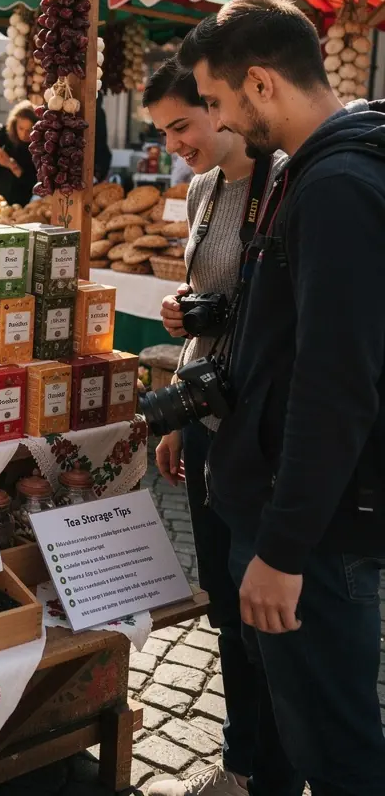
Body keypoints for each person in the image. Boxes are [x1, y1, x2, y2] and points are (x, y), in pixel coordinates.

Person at [178, 0, 385, 796]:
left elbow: (336, 385)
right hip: (291, 514)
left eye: (222, 102)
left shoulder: (336, 187)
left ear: (262, 83)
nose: (222, 122)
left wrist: (284, 548)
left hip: (316, 537)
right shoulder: (312, 172)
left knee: (337, 748)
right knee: (299, 730)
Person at [143, 59, 297, 796]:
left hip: (258, 430)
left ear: (222, 109)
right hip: (206, 415)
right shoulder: (203, 190)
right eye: (164, 130)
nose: (175, 141)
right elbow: (210, 303)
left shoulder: (287, 182)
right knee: (222, 609)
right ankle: (241, 759)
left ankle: (275, 768)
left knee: (257, 606)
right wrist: (178, 393)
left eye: (184, 123)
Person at [0, 99, 37, 206]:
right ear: (14, 124)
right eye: (21, 128)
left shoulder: (39, 148)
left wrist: (11, 165)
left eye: (29, 130)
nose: (24, 134)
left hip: (22, 207)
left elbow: (34, 185)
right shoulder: (1, 136)